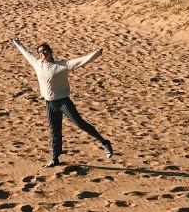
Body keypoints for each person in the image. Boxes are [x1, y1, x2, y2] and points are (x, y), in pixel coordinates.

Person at [13, 38, 114, 167]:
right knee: (54, 130)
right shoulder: (37, 64)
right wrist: (17, 43)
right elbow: (26, 53)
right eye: (40, 52)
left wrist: (96, 54)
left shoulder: (62, 65)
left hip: (63, 102)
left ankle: (105, 143)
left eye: (45, 50)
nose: (42, 53)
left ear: (50, 52)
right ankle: (55, 158)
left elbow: (81, 61)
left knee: (79, 123)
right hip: (50, 104)